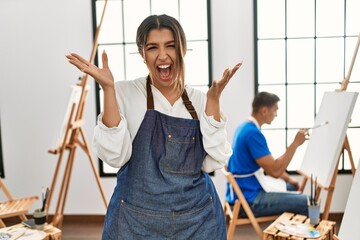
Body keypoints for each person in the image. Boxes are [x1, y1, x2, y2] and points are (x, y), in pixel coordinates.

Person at [66, 14, 241, 239]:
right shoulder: (125, 93)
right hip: (135, 221)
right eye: (152, 47)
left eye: (170, 45)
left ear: (182, 49)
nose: (162, 55)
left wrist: (214, 101)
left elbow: (212, 161)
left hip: (196, 220)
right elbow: (115, 157)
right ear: (142, 54)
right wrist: (108, 89)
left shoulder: (200, 99)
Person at [226, 91, 309, 217]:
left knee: (291, 187)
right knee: (307, 202)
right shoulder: (253, 134)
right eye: (275, 110)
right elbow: (275, 171)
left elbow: (270, 164)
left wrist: (289, 179)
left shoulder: (243, 127)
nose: (276, 115)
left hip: (243, 192)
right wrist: (295, 144)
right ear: (264, 111)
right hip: (249, 199)